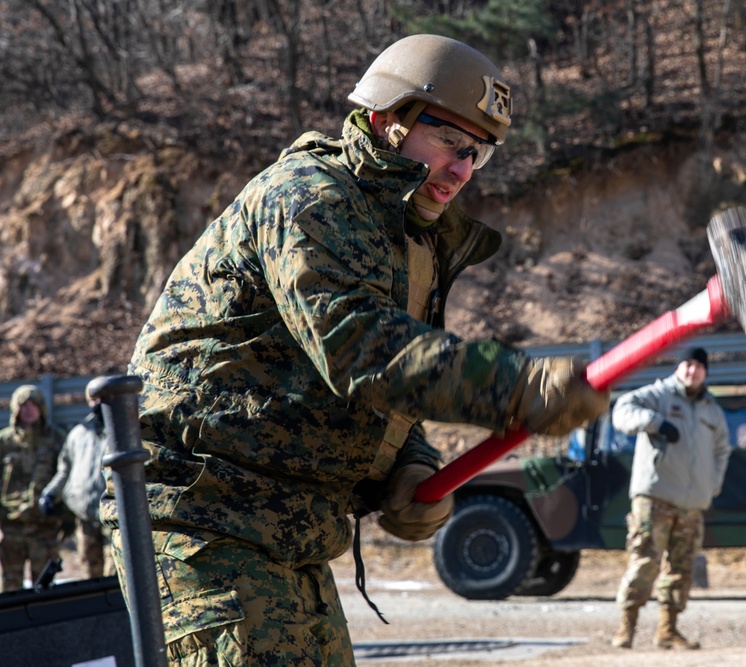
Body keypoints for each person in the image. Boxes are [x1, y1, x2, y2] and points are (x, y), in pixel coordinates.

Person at [101, 33, 609, 666]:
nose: (462, 170)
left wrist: (409, 465)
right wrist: (514, 386)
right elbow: (356, 344)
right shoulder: (309, 196)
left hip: (295, 528)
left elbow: (377, 387)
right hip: (202, 520)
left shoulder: (408, 238)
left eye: (477, 155)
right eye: (450, 144)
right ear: (386, 119)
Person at [609, 346, 731, 651]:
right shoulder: (657, 395)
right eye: (687, 365)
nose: (692, 371)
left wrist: (711, 485)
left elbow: (722, 450)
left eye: (698, 366)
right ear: (678, 368)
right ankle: (626, 629)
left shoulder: (711, 409)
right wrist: (655, 422)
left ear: (706, 372)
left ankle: (667, 631)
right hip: (655, 498)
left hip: (692, 505)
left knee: (682, 569)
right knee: (645, 563)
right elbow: (622, 410)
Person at [40, 383, 112, 579]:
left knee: (115, 574)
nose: (97, 403)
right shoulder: (78, 433)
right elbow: (64, 470)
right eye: (93, 398)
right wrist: (50, 493)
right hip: (85, 516)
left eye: (102, 398)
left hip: (114, 519)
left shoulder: (124, 432)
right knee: (90, 572)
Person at [0, 384, 64, 591]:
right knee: (10, 586)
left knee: (44, 586)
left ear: (42, 408)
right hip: (11, 526)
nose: (28, 410)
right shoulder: (4, 441)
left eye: (33, 405)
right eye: (23, 405)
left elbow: (67, 475)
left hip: (44, 526)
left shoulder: (55, 438)